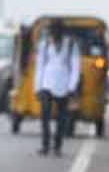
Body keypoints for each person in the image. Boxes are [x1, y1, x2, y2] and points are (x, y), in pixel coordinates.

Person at [33, 20, 81, 156]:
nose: (54, 34)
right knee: (45, 117)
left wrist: (72, 86)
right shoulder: (45, 44)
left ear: (61, 31)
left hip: (64, 85)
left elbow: (75, 67)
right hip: (46, 84)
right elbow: (40, 66)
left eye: (56, 31)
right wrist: (37, 87)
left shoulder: (71, 45)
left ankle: (57, 147)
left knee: (61, 119)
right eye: (52, 31)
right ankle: (45, 146)